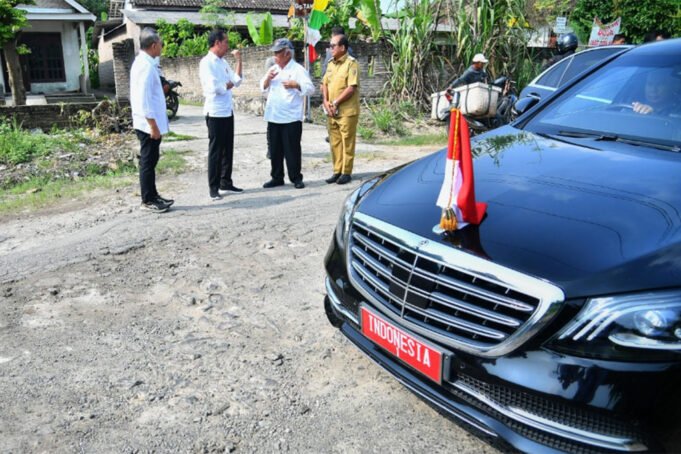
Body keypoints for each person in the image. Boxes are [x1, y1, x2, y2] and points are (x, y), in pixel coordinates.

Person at [260, 38, 314, 189]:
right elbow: (262, 87)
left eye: (278, 53)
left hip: (291, 117)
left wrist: (296, 85)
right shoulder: (273, 69)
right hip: (274, 115)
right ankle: (276, 177)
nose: (275, 57)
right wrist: (268, 80)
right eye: (275, 53)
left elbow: (310, 88)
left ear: (287, 54)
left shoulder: (298, 70)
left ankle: (296, 177)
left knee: (292, 150)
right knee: (275, 150)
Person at [130, 27, 173, 213]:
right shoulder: (145, 67)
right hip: (147, 125)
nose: (162, 47)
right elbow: (144, 99)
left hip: (149, 123)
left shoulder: (147, 63)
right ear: (154, 45)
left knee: (152, 160)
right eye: (161, 44)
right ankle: (147, 200)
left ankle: (153, 195)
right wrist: (153, 126)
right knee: (147, 162)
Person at [199, 29, 243, 201]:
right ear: (217, 43)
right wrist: (228, 84)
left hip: (227, 110)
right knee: (216, 151)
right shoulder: (206, 63)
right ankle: (213, 186)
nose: (228, 46)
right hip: (215, 112)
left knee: (228, 149)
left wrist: (239, 60)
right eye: (226, 42)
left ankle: (226, 181)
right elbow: (214, 88)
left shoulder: (223, 62)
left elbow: (237, 80)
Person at [321, 34, 360, 185]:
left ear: (342, 47)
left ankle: (346, 172)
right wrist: (325, 101)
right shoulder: (330, 64)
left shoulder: (351, 64)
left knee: (347, 142)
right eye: (330, 46)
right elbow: (324, 83)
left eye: (333, 46)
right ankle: (337, 171)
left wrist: (335, 102)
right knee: (335, 142)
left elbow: (351, 88)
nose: (330, 49)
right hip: (331, 111)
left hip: (346, 111)